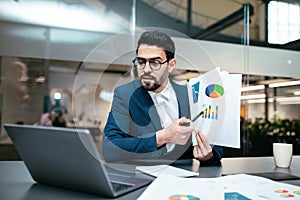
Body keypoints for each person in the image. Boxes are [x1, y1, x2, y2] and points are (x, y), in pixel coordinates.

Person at [102, 30, 223, 165]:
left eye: (155, 62)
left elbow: (216, 144)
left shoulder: (189, 94)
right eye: (141, 62)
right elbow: (110, 149)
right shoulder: (125, 94)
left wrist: (208, 155)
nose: (146, 69)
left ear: (171, 65)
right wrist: (161, 137)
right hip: (143, 182)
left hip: (184, 180)